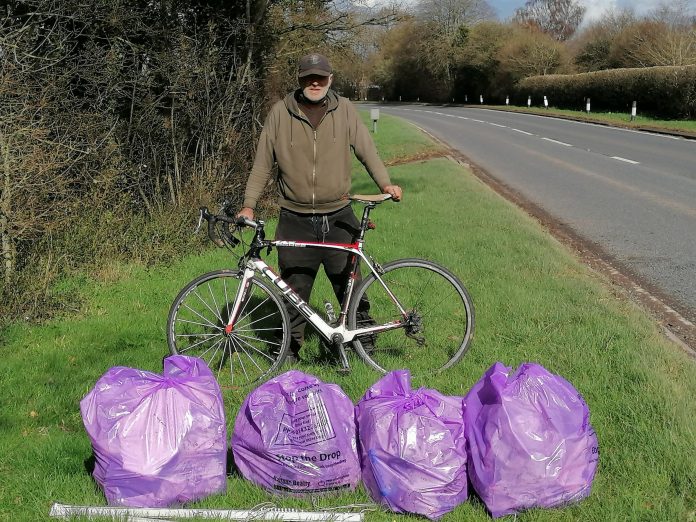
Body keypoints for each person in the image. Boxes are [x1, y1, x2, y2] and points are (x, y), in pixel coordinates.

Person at [238, 52, 402, 362]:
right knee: (293, 290)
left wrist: (385, 184)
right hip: (294, 216)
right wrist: (249, 205)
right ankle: (288, 349)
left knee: (349, 285)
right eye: (308, 77)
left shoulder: (345, 111)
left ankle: (363, 342)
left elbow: (366, 150)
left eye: (321, 77)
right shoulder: (279, 113)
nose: (315, 82)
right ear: (299, 79)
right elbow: (262, 164)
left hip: (339, 214)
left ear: (331, 79)